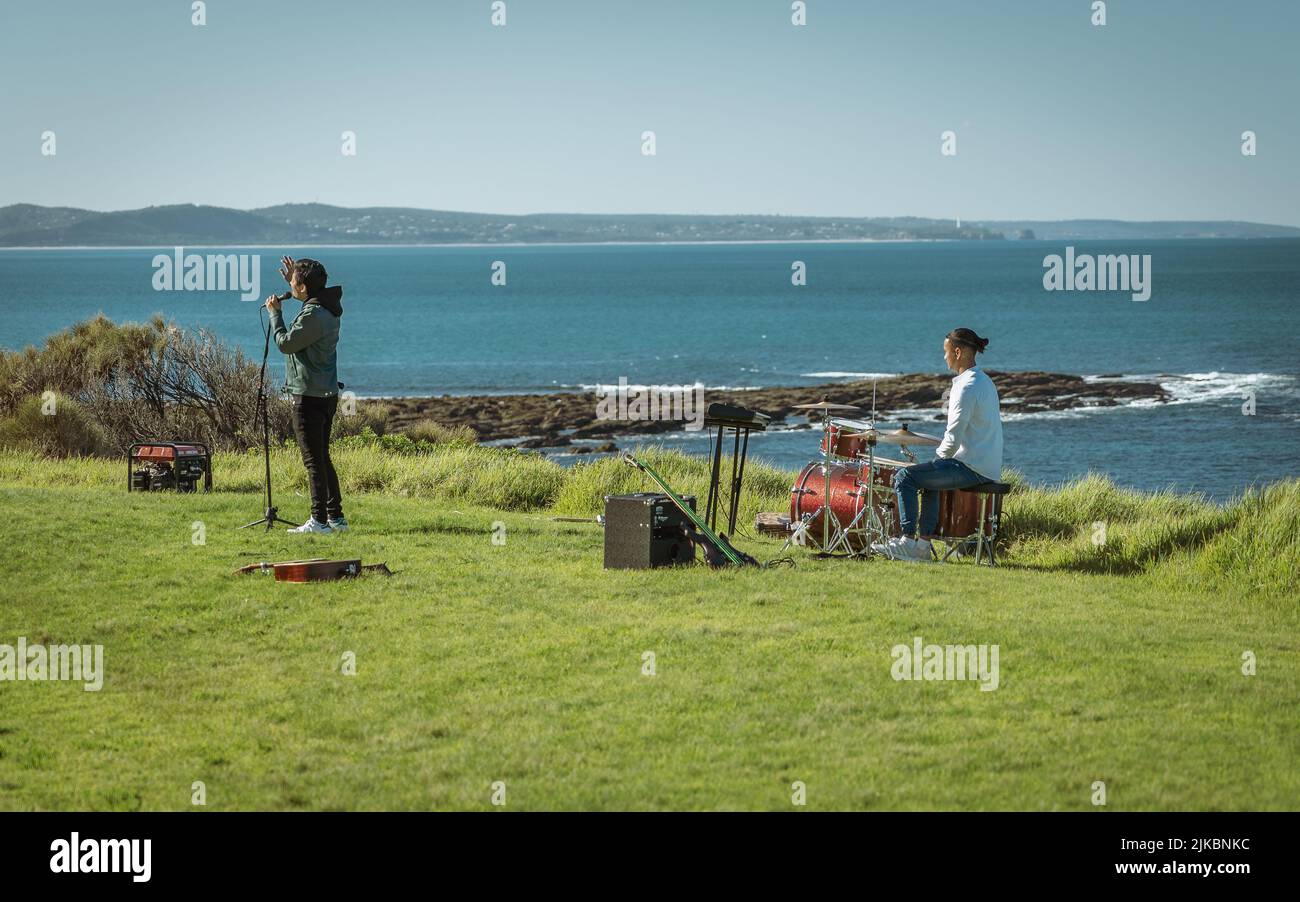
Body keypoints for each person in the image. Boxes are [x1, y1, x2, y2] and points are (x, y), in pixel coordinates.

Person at [872, 327, 1002, 562]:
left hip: (973, 468)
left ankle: (908, 541)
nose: (944, 357)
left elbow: (953, 437)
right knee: (929, 480)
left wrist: (939, 457)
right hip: (985, 465)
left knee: (905, 477)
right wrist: (938, 462)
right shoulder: (984, 381)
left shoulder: (966, 387)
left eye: (946, 352)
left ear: (958, 352)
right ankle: (922, 547)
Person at [265, 256, 348, 534]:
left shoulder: (313, 315)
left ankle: (319, 521)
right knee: (322, 457)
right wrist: (297, 283)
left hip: (308, 396)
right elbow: (307, 301)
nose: (289, 284)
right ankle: (335, 517)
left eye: (293, 282)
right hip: (324, 393)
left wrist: (275, 314)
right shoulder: (324, 306)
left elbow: (286, 344)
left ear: (302, 288)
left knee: (313, 460)